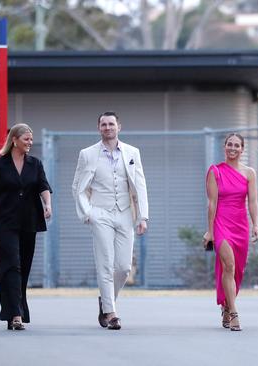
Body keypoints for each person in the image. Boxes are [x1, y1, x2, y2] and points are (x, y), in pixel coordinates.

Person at [72, 111, 149, 330]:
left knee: (124, 267)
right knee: (105, 263)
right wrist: (87, 212)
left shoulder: (132, 152)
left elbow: (140, 185)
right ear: (99, 128)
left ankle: (106, 301)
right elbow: (78, 186)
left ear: (119, 127)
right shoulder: (87, 154)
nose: (108, 128)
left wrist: (142, 216)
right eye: (104, 125)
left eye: (111, 124)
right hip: (101, 213)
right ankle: (112, 313)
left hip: (125, 212)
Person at [0, 123, 52, 330]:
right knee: (11, 264)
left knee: (24, 266)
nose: (30, 142)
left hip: (29, 220)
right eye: (26, 139)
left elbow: (43, 186)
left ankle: (16, 309)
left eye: (31, 138)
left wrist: (48, 205)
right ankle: (15, 314)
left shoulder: (35, 164)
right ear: (14, 140)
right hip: (5, 221)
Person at [203, 133, 258, 331]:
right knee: (229, 266)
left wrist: (256, 225)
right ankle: (234, 312)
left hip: (241, 224)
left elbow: (252, 201)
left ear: (242, 149)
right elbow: (212, 203)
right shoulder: (215, 171)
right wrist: (210, 232)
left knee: (237, 271)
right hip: (221, 223)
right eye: (229, 144)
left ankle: (227, 305)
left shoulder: (249, 173)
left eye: (237, 145)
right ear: (224, 147)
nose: (233, 148)